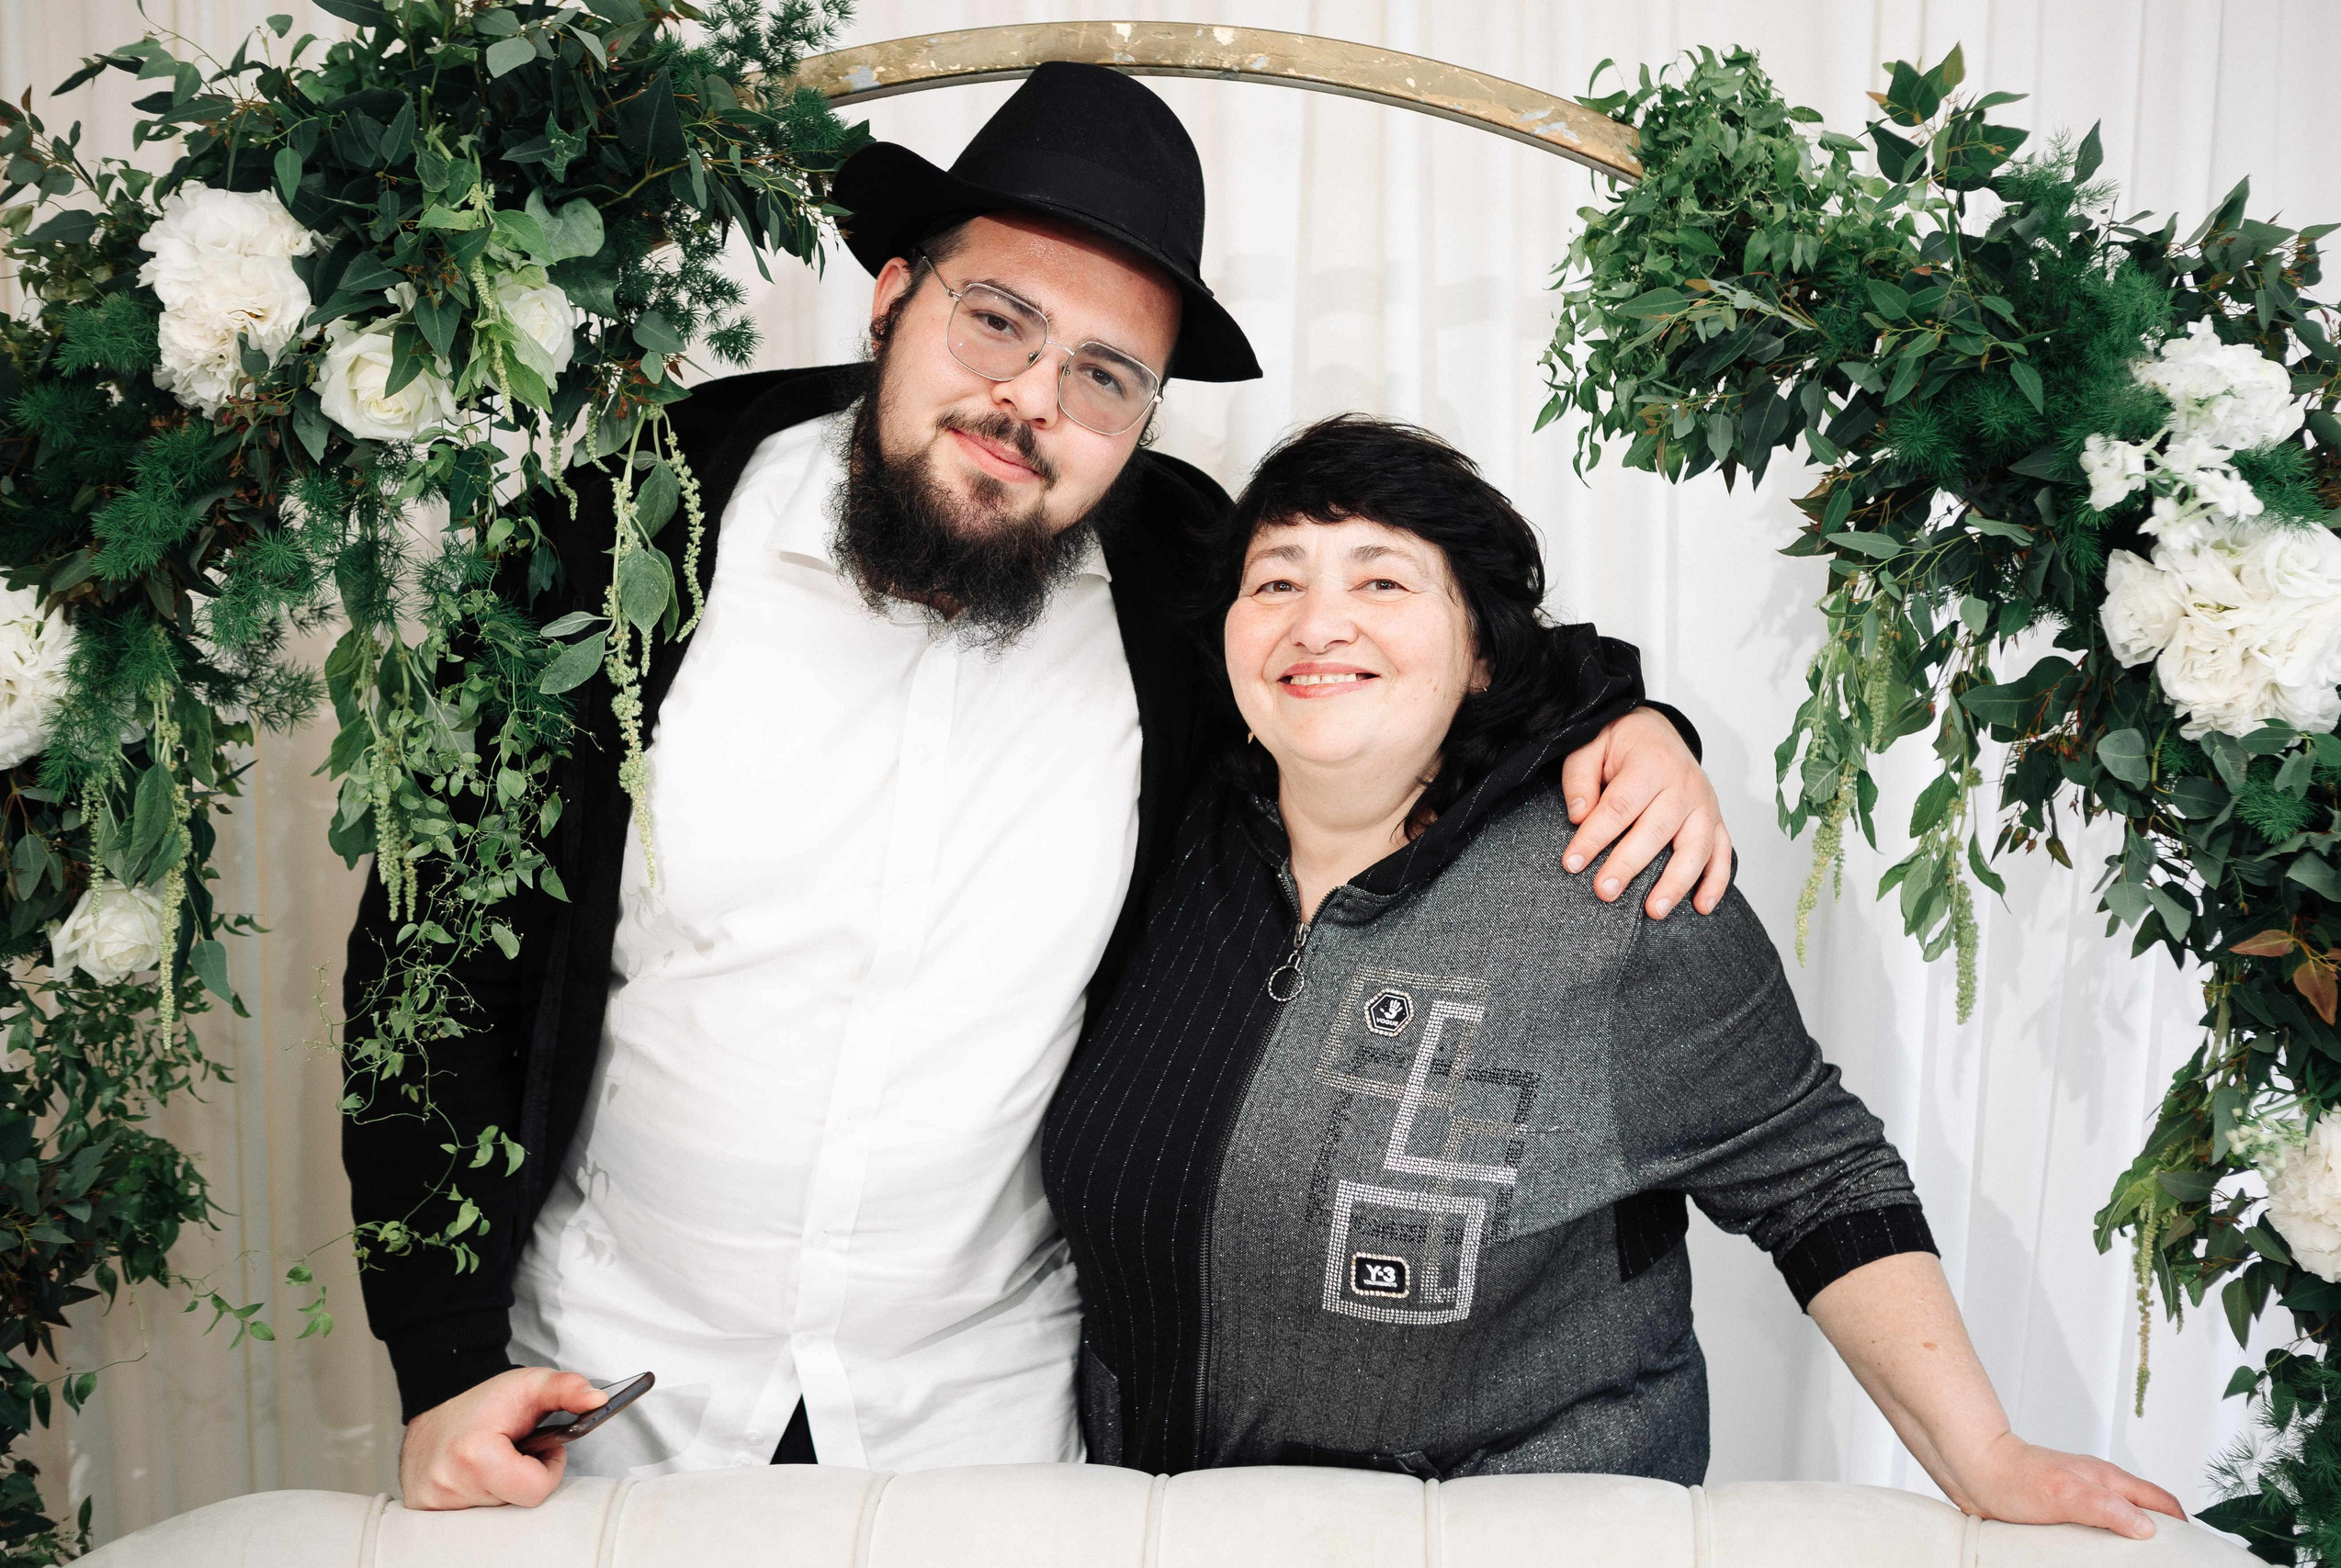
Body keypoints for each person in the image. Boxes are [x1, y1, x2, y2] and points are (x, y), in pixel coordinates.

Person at [351, 64, 1735, 1508]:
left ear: (1140, 419)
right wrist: (441, 1361)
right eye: (996, 319)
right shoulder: (625, 534)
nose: (1028, 399)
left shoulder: (1188, 593)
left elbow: (1422, 652)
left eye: (1101, 374)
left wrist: (1635, 720)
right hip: (600, 1392)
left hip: (989, 1426)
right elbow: (424, 970)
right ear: (893, 296)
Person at [1041, 416, 2188, 1540]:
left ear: (1480, 651)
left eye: (1383, 583)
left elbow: (1820, 1178)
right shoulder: (1166, 847)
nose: (1318, 621)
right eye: (1275, 582)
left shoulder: (1613, 882)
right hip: (1179, 1527)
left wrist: (1982, 1455)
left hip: (1531, 1533)